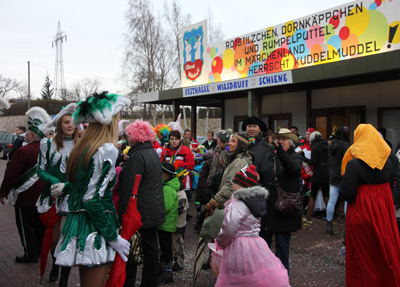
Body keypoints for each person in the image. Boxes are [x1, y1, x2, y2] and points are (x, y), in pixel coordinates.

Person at [53, 92, 131, 287]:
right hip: (95, 229)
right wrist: (113, 238)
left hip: (78, 223)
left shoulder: (83, 147)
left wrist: (67, 187)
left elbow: (83, 186)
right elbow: (91, 198)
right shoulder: (106, 149)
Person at [339, 124, 400, 286]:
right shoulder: (387, 162)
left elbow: (347, 193)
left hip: (361, 212)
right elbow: (391, 186)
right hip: (383, 214)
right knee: (381, 249)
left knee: (363, 254)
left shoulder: (354, 164)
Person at [215, 165, 290, 287]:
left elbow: (229, 228)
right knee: (254, 272)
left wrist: (220, 242)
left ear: (243, 185)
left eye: (236, 183)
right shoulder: (256, 202)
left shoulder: (237, 205)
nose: (233, 186)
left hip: (238, 245)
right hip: (256, 243)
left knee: (238, 274)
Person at [35, 103, 78, 285]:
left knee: (67, 238)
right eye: (66, 122)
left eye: (73, 122)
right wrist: (55, 182)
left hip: (72, 197)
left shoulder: (81, 145)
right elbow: (40, 170)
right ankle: (55, 264)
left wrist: (67, 186)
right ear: (59, 124)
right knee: (54, 239)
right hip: (53, 196)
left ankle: (64, 279)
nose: (70, 125)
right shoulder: (47, 144)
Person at [119, 119, 165, 287]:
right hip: (153, 209)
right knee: (151, 250)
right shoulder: (152, 153)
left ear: (134, 137)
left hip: (138, 212)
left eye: (129, 136)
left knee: (131, 252)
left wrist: (123, 216)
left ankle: (129, 283)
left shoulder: (136, 156)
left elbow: (129, 190)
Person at [0, 107, 49, 264]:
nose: (26, 134)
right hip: (43, 196)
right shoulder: (49, 150)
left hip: (25, 196)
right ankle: (40, 251)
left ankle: (30, 253)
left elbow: (11, 174)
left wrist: (3, 192)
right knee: (40, 226)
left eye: (28, 131)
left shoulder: (23, 151)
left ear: (32, 134)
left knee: (26, 226)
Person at [260, 128, 302, 272]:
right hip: (268, 207)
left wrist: (281, 153)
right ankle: (264, 275)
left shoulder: (295, 157)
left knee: (282, 247)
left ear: (290, 143)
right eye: (279, 139)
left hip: (284, 209)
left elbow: (294, 170)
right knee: (263, 246)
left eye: (283, 139)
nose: (280, 142)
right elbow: (263, 172)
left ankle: (282, 278)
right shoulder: (271, 155)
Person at [158, 162, 179, 284]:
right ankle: (164, 269)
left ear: (165, 174)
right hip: (165, 224)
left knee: (166, 249)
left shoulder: (168, 189)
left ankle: (167, 272)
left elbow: (165, 207)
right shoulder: (167, 187)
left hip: (166, 224)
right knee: (164, 247)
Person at [326, 126, 349, 235]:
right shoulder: (345, 145)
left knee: (332, 200)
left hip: (333, 174)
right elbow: (347, 160)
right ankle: (348, 225)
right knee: (346, 200)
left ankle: (329, 224)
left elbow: (329, 161)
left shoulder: (331, 145)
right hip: (343, 174)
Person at [161, 130, 195, 203]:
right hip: (168, 183)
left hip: (183, 182)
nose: (174, 141)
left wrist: (180, 164)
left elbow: (191, 166)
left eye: (176, 139)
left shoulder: (186, 151)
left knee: (183, 204)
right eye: (172, 139)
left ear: (179, 140)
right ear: (169, 140)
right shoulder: (165, 151)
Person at [241, 116, 274, 190]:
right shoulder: (241, 145)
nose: (252, 129)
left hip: (258, 186)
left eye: (254, 126)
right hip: (241, 184)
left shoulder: (266, 147)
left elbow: (267, 170)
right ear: (246, 129)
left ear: (259, 129)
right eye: (249, 126)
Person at [304, 131, 329, 224]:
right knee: (326, 195)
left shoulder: (315, 147)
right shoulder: (327, 145)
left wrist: (303, 158)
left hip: (318, 173)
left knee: (313, 195)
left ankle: (308, 217)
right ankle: (329, 217)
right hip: (327, 172)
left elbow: (313, 162)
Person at [172, 173, 189, 271]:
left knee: (178, 244)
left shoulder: (181, 194)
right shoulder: (178, 192)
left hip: (178, 224)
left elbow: (180, 209)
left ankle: (179, 262)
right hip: (175, 223)